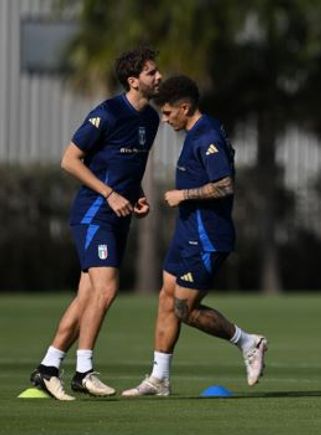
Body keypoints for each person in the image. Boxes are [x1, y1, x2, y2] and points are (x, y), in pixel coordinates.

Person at [29, 47, 162, 400]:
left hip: (119, 212)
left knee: (87, 295)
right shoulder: (107, 113)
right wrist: (109, 194)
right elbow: (69, 160)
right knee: (107, 289)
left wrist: (136, 193)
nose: (159, 77)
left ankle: (47, 368)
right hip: (94, 212)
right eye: (151, 72)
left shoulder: (150, 119)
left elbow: (127, 167)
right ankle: (84, 371)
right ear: (133, 81)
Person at [122, 75, 267, 396]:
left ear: (185, 108)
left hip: (207, 239)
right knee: (165, 299)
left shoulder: (207, 136)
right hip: (186, 234)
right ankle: (159, 379)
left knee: (183, 309)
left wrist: (183, 195)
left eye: (168, 112)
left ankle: (249, 342)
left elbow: (225, 184)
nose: (164, 118)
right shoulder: (196, 131)